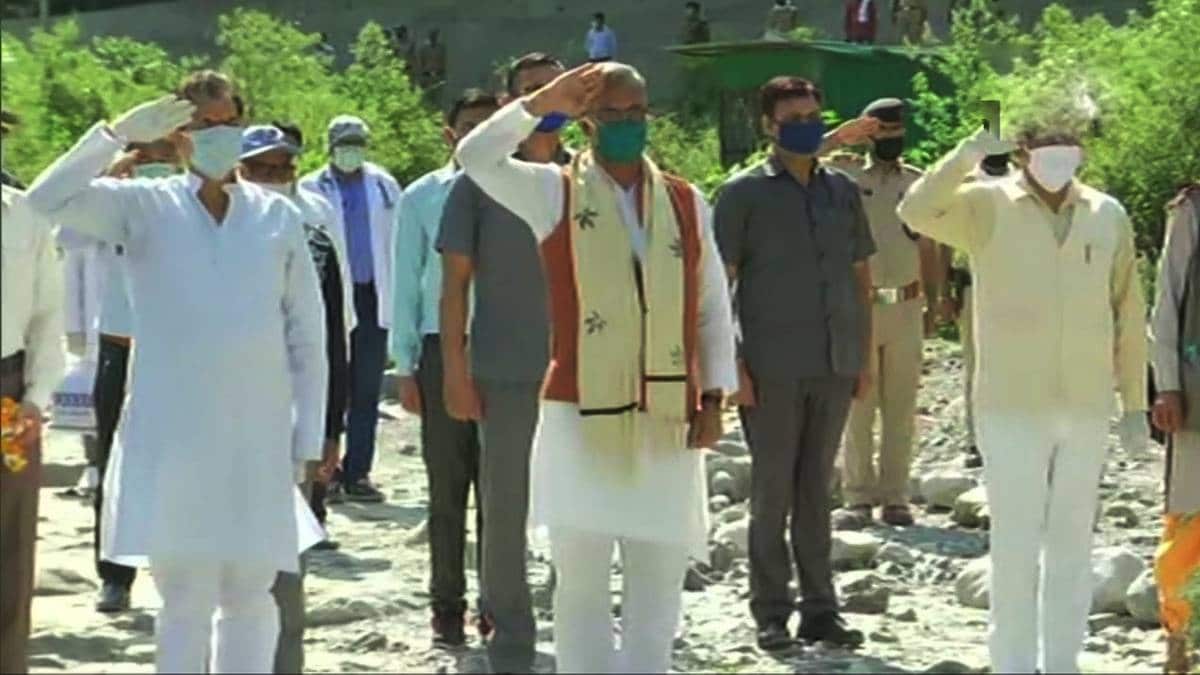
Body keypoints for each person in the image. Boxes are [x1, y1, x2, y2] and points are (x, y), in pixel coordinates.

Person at [25, 71, 328, 674]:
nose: (218, 136)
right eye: (202, 124)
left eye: (228, 123)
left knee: (249, 594)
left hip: (258, 434)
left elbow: (308, 335)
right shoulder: (142, 205)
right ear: (177, 134)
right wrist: (114, 136)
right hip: (172, 436)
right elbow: (41, 202)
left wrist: (310, 438)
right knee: (185, 598)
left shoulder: (276, 215)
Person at [457, 62, 737, 673]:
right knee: (580, 584)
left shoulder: (687, 201)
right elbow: (477, 157)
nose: (628, 125)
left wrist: (715, 397)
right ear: (586, 122)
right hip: (578, 411)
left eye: (638, 114)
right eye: (614, 114)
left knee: (658, 581)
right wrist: (539, 103)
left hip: (668, 414)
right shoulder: (552, 191)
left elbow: (712, 306)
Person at [896, 108, 1148, 673]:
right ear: (1023, 152)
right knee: (1015, 543)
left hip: (1085, 406)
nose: (1059, 157)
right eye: (1047, 147)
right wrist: (964, 155)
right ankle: (1012, 663)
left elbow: (1129, 310)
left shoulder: (1106, 214)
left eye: (1069, 146)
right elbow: (914, 210)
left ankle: (1062, 661)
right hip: (1011, 406)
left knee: (1072, 543)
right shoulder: (986, 205)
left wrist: (1133, 403)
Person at [715, 76, 872, 652]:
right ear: (768, 126)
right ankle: (771, 613)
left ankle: (821, 611)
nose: (805, 124)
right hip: (770, 367)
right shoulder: (742, 195)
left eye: (812, 114)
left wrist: (862, 358)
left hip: (833, 362)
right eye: (792, 117)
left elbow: (861, 278)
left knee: (816, 494)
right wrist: (732, 366)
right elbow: (718, 289)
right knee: (773, 492)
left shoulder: (841, 191)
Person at [438, 52, 570, 673]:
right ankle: (511, 641)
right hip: (505, 369)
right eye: (531, 92)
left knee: (580, 511)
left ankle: (578, 632)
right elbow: (454, 285)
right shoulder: (480, 182)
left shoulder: (589, 178)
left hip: (581, 373)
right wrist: (454, 371)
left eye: (554, 89)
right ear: (511, 101)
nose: (545, 100)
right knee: (506, 508)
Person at [238, 122, 349, 675]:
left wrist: (329, 429)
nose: (270, 179)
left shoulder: (316, 244)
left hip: (289, 428)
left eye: (280, 169)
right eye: (259, 169)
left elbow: (332, 341)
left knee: (285, 571)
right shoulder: (206, 238)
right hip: (219, 426)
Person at [391, 89, 499, 646]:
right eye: (469, 126)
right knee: (448, 488)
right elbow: (406, 281)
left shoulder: (518, 187)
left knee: (502, 490)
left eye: (491, 125)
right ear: (449, 133)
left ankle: (497, 602)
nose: (479, 135)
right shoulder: (422, 197)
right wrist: (405, 364)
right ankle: (447, 606)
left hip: (507, 351)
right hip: (440, 351)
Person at [822, 98, 937, 527]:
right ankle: (857, 495)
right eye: (882, 132)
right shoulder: (847, 175)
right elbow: (791, 159)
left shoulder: (919, 182)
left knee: (901, 406)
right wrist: (839, 135)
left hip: (906, 304)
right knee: (859, 405)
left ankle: (895, 497)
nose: (892, 139)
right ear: (870, 135)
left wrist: (936, 298)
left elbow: (929, 244)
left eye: (897, 132)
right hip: (860, 306)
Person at [79, 139, 182, 615]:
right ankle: (115, 577)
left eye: (164, 153)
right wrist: (113, 169)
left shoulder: (185, 202)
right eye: (146, 154)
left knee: (181, 463)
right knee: (112, 463)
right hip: (119, 347)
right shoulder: (111, 204)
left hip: (179, 347)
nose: (154, 164)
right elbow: (60, 222)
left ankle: (180, 568)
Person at [300, 115, 401, 504]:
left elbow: (396, 236)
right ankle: (327, 474)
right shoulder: (312, 187)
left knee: (367, 388)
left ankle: (358, 471)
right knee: (330, 386)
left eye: (357, 141)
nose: (350, 149)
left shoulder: (384, 185)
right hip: (331, 296)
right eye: (344, 142)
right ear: (329, 145)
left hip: (375, 294)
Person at [0, 106, 65, 675]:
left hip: (7, 393)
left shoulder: (24, 218)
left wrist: (37, 398)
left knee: (9, 546)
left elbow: (48, 317)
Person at [1148, 181, 1200, 674]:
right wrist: (1166, 385)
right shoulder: (1192, 210)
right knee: (1189, 524)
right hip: (1197, 394)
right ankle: (1181, 635)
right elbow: (1167, 300)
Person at [944, 151, 1012, 470]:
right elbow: (943, 237)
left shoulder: (1025, 182)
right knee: (976, 363)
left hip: (1016, 285)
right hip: (973, 282)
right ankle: (976, 439)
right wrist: (944, 290)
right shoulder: (964, 183)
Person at [416, 29, 448, 95]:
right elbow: (421, 61)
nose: (434, 37)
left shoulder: (441, 47)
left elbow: (443, 61)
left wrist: (443, 74)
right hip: (427, 74)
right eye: (432, 36)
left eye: (435, 36)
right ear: (429, 36)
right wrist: (421, 74)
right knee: (427, 94)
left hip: (438, 73)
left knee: (438, 93)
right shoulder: (424, 48)